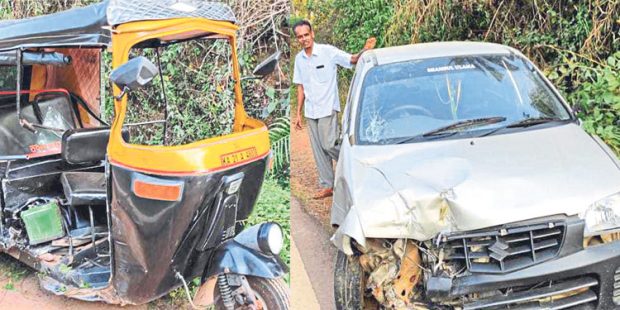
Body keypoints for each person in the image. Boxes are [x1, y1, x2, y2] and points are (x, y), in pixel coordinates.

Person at [292, 19, 375, 199]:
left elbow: (352, 60)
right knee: (318, 150)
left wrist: (365, 50)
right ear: (297, 39)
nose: (304, 39)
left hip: (327, 107)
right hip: (310, 110)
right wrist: (298, 113)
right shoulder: (299, 59)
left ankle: (357, 163)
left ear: (312, 34)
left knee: (329, 144)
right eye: (300, 37)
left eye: (306, 35)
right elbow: (300, 87)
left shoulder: (327, 52)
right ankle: (328, 185)